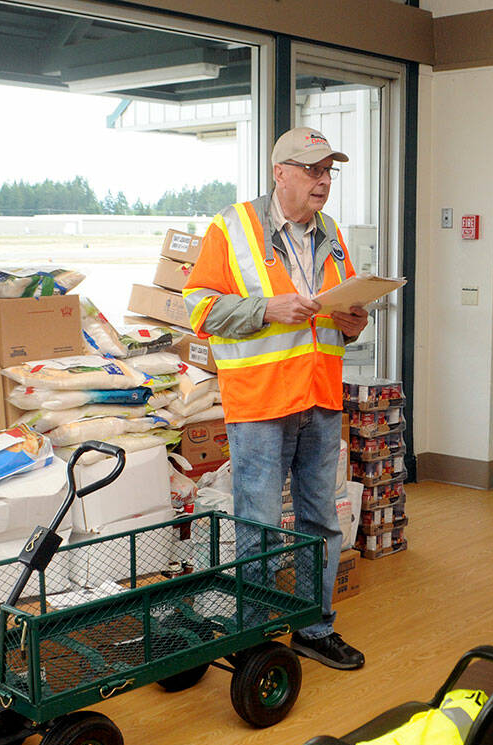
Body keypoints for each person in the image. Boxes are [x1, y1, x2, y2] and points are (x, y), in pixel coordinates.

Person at [182, 127, 369, 670]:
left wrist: (354, 321)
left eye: (328, 170)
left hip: (319, 398)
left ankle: (314, 628)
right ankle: (253, 637)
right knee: (258, 528)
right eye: (312, 170)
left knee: (321, 523)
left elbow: (341, 311)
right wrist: (267, 309)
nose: (322, 180)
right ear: (279, 172)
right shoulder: (232, 227)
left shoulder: (330, 232)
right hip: (261, 404)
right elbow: (198, 308)